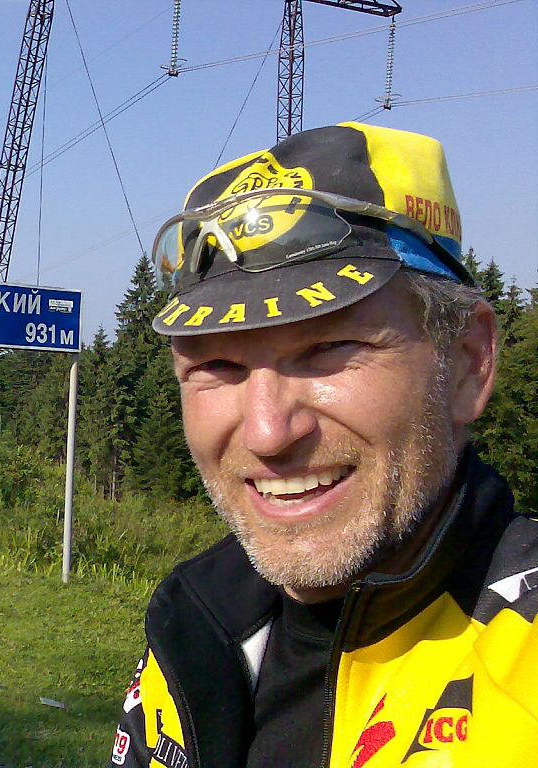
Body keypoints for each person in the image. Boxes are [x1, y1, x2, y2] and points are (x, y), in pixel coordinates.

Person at [109, 122, 538, 768]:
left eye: (329, 348)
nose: (267, 432)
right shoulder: (195, 627)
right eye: (217, 365)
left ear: (467, 363)